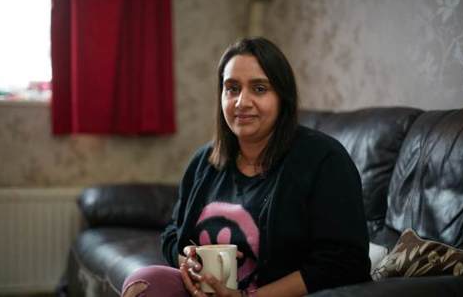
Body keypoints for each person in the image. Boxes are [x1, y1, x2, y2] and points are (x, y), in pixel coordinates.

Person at [121, 37, 371, 297]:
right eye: (232, 88)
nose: (242, 102)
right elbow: (173, 232)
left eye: (259, 89)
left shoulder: (324, 159)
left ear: (282, 97)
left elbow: (345, 262)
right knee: (144, 281)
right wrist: (187, 260)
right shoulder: (203, 162)